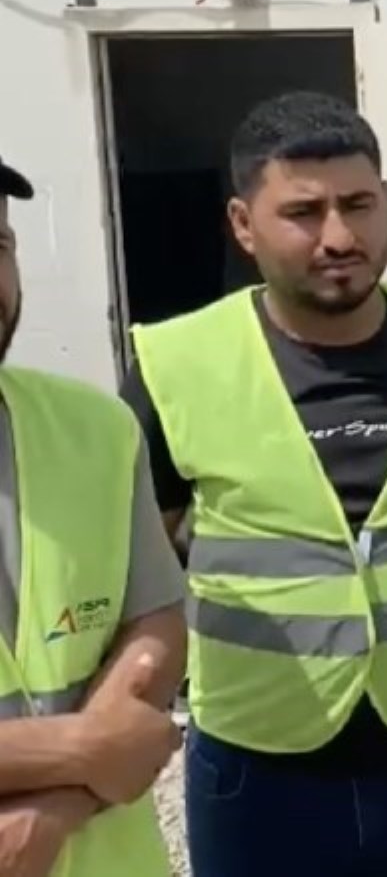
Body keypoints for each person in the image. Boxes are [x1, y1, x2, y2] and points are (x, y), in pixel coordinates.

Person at [118, 91, 387, 877]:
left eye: (358, 205)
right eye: (304, 213)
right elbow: (139, 570)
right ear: (243, 224)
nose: (339, 236)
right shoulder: (176, 367)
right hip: (259, 770)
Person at [0, 155, 185, 876]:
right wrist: (86, 746)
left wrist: (54, 811)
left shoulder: (97, 429)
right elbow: (119, 741)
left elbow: (156, 624)